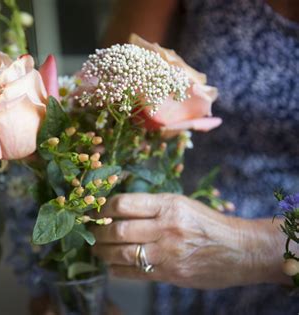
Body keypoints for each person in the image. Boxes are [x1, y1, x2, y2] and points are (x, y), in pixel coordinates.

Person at [92, 0, 299, 314]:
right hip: (186, 246)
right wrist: (75, 286)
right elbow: (106, 107)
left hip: (212, 250)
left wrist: (250, 249)